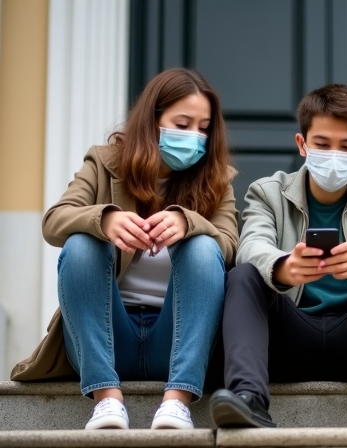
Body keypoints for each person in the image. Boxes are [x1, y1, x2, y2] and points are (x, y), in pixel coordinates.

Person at [14, 68, 238, 430]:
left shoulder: (217, 179)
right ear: (153, 121)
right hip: (106, 337)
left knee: (203, 248)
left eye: (203, 127)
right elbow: (55, 220)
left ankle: (178, 402)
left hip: (178, 340)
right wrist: (104, 220)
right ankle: (106, 399)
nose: (194, 136)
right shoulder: (105, 162)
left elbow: (229, 247)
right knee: (82, 243)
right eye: (182, 124)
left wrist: (188, 222)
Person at [209, 84, 347, 428]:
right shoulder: (268, 191)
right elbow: (251, 246)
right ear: (302, 144)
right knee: (243, 276)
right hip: (287, 341)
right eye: (322, 144)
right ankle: (248, 399)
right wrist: (284, 268)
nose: (334, 156)